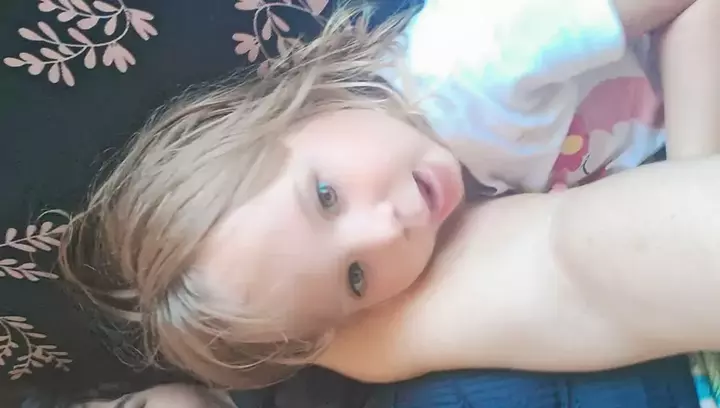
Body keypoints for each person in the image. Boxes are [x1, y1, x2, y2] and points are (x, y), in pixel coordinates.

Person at [59, 0, 719, 394]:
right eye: (355, 277)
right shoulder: (432, 191)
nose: (385, 231)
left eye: (325, 196)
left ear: (294, 111)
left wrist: (692, 171)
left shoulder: (475, 61)